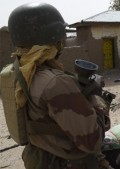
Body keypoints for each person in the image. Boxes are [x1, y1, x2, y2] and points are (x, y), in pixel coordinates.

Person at [7, 2, 113, 169]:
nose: (63, 40)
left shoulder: (19, 71)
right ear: (50, 37)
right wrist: (97, 98)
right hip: (64, 162)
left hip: (39, 156)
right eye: (60, 36)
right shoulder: (55, 82)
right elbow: (92, 140)